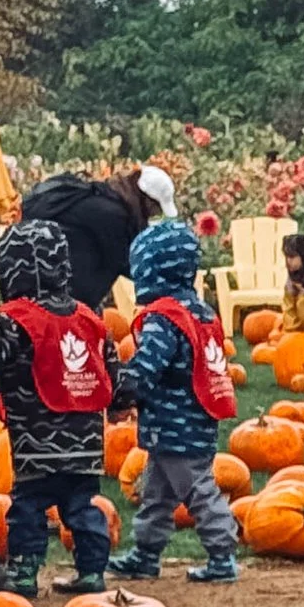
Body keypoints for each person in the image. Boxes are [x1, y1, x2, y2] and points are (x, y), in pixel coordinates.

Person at [0, 220, 118, 600]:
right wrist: (122, 402)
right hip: (86, 441)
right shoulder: (87, 317)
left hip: (38, 439)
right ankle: (92, 571)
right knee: (82, 507)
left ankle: (24, 573)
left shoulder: (17, 321)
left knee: (27, 509)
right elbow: (109, 367)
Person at [121, 219, 243, 584]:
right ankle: (145, 554)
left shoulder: (163, 319)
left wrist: (119, 387)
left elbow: (148, 367)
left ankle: (223, 555)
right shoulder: (201, 312)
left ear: (150, 269)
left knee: (198, 491)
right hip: (197, 419)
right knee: (155, 494)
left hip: (174, 425)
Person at [19, 166, 162, 311]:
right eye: (155, 209)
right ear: (146, 200)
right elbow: (127, 262)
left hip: (51, 287)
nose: (153, 214)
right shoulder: (113, 215)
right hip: (64, 298)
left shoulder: (105, 199)